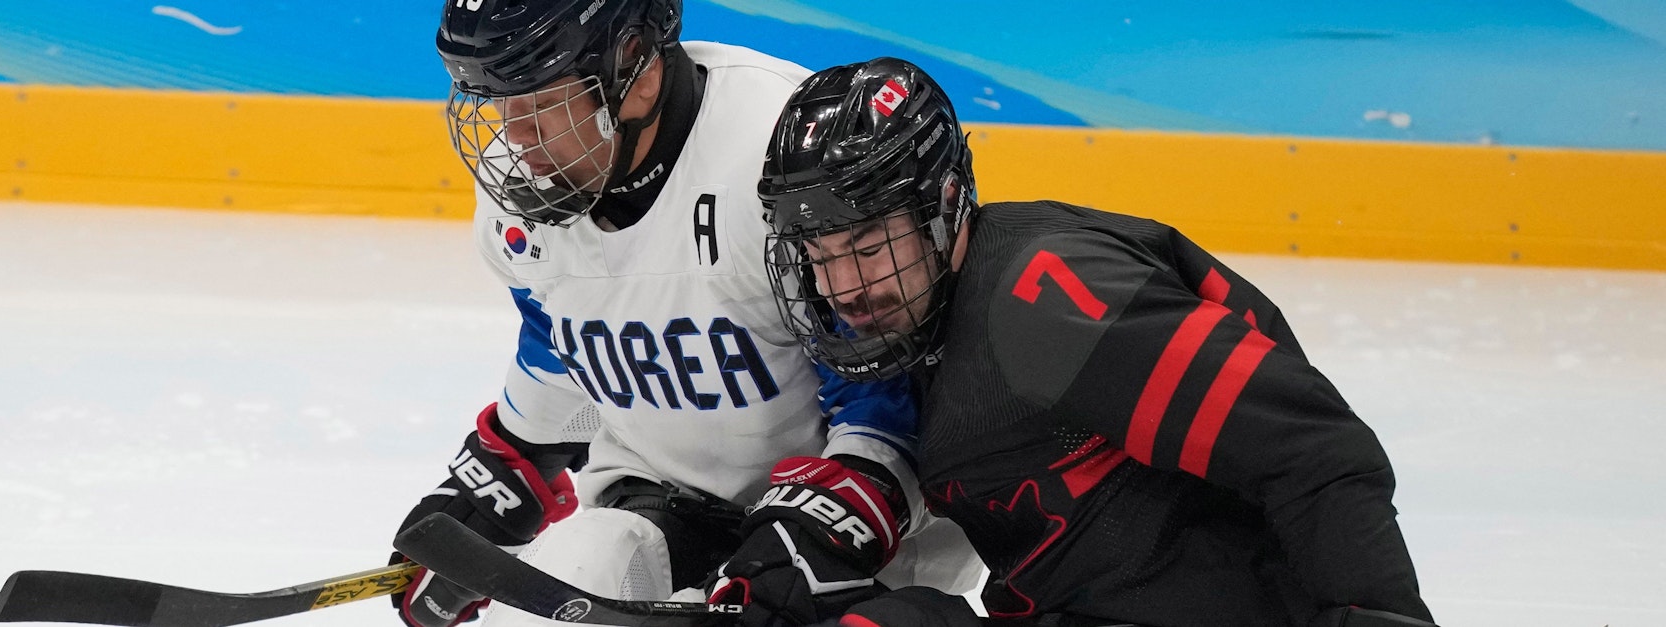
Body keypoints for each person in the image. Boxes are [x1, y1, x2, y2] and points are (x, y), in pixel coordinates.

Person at [756, 57, 1438, 627]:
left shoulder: (1043, 303)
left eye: (868, 247)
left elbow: (1313, 446)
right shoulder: (928, 322)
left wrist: (1377, 612)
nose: (842, 285)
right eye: (819, 254)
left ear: (943, 203)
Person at [391, 5, 982, 627]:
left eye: (537, 99)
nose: (515, 136)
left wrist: (807, 540)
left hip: (855, 532)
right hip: (664, 500)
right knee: (584, 568)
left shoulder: (783, 157)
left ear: (635, 70)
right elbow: (563, 331)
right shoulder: (537, 181)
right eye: (496, 100)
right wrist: (501, 474)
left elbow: (892, 383)